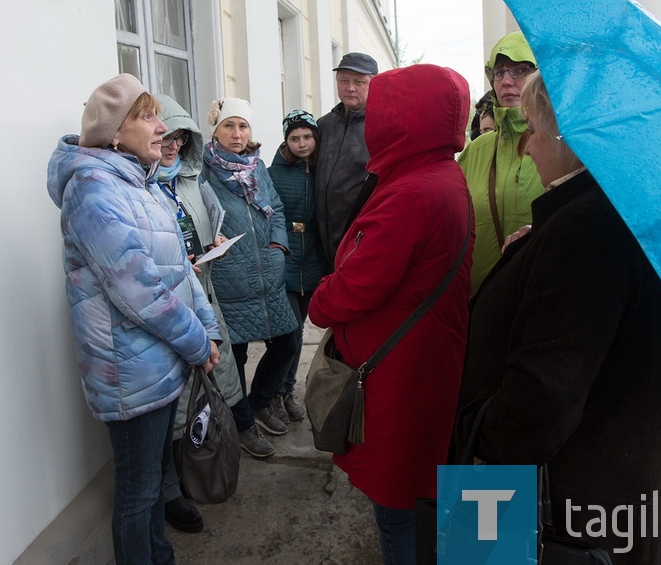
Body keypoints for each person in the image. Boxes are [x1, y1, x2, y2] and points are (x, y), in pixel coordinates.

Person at [453, 72, 661, 564]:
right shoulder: (635, 210)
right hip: (641, 488)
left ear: (571, 141)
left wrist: (469, 432)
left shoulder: (585, 231)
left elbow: (541, 403)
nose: (529, 148)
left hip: (573, 510)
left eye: (536, 131)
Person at [46, 74, 221, 564]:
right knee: (138, 492)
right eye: (147, 116)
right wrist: (195, 343)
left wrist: (205, 328)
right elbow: (139, 289)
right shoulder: (93, 190)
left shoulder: (142, 184)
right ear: (114, 132)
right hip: (129, 371)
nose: (161, 126)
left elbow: (180, 271)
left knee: (150, 489)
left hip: (158, 364)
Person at [308, 64, 474, 565]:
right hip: (419, 362)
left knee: (401, 507)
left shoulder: (411, 192)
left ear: (402, 118)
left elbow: (353, 290)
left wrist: (320, 294)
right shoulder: (433, 175)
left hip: (399, 378)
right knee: (420, 493)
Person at [153, 94, 246, 533]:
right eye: (165, 136)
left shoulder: (192, 180)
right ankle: (173, 489)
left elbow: (206, 225)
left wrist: (213, 249)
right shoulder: (140, 186)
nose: (172, 145)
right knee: (170, 406)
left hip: (202, 297)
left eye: (180, 138)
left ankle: (200, 467)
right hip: (166, 308)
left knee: (203, 391)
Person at [200, 97, 298, 456]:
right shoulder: (203, 171)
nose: (237, 134)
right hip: (229, 278)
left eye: (243, 126)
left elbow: (276, 209)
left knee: (287, 342)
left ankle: (260, 400)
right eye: (229, 126)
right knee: (233, 357)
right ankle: (243, 424)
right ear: (216, 130)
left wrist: (278, 246)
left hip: (267, 273)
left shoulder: (257, 168)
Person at [456, 32, 545, 294]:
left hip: (539, 295)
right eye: (499, 72)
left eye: (520, 70)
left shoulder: (560, 146)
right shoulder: (477, 150)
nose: (506, 81)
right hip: (482, 298)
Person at [267, 109, 329, 424]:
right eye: (295, 138)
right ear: (286, 141)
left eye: (307, 137)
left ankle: (287, 391)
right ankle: (274, 393)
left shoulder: (323, 170)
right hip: (286, 259)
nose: (302, 144)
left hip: (312, 261)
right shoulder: (272, 174)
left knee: (299, 330)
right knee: (287, 333)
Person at [314, 51, 378, 265]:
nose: (350, 87)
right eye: (344, 81)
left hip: (361, 242)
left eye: (359, 82)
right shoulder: (323, 125)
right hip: (321, 244)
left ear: (374, 84)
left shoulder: (380, 127)